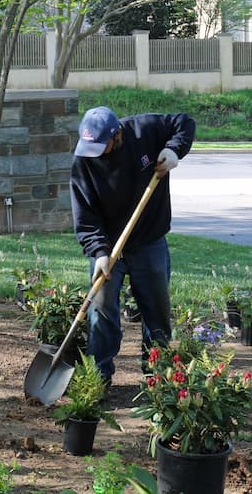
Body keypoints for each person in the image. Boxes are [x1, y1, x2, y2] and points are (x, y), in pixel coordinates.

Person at [69, 106, 195, 388]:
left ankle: (157, 377)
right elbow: (85, 214)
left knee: (156, 313)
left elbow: (184, 122)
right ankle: (98, 378)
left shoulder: (145, 129)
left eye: (102, 146)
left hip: (149, 241)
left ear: (117, 135)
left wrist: (174, 150)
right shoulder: (84, 160)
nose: (96, 153)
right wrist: (99, 251)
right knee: (101, 311)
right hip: (107, 247)